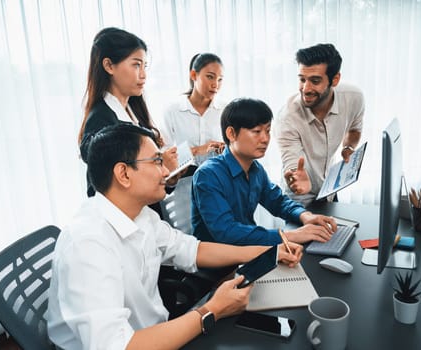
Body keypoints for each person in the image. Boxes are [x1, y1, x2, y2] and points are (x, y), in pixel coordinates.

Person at [47, 123, 303, 349]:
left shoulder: (141, 215)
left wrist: (269, 251)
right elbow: (117, 345)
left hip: (156, 333)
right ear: (124, 174)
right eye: (157, 161)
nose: (166, 171)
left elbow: (194, 250)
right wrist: (211, 310)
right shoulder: (88, 243)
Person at [191, 97, 337, 246]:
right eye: (256, 131)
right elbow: (227, 232)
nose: (265, 139)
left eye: (267, 131)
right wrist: (289, 236)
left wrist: (305, 215)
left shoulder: (255, 169)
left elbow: (277, 201)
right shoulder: (208, 175)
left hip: (248, 252)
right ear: (231, 134)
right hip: (220, 265)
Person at [77, 27, 179, 197]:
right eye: (136, 65)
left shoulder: (135, 110)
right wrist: (160, 163)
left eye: (144, 66)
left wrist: (168, 176)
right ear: (109, 66)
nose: (144, 75)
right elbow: (103, 189)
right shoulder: (101, 118)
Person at [276, 43, 365, 206]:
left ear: (335, 79)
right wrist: (296, 178)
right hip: (300, 198)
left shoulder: (354, 98)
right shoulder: (287, 118)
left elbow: (354, 129)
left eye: (315, 81)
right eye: (302, 80)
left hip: (329, 190)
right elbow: (292, 162)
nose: (306, 89)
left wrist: (349, 148)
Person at [161, 53, 226, 166]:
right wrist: (196, 150)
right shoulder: (172, 111)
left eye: (220, 79)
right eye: (210, 77)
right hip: (184, 180)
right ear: (194, 75)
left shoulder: (226, 110)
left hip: (218, 179)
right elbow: (163, 159)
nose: (215, 84)